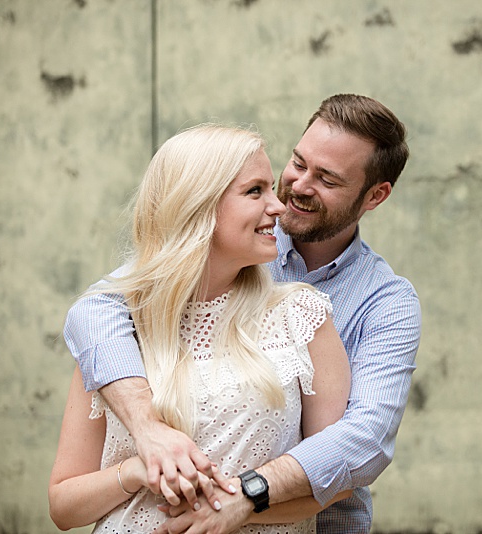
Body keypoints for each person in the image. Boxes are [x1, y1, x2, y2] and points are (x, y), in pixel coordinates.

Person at [64, 94, 422, 533]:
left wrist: (246, 497)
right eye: (298, 162)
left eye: (327, 178)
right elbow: (98, 308)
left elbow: (362, 439)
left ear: (376, 195)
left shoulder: (386, 303)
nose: (297, 187)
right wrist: (146, 428)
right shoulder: (236, 245)